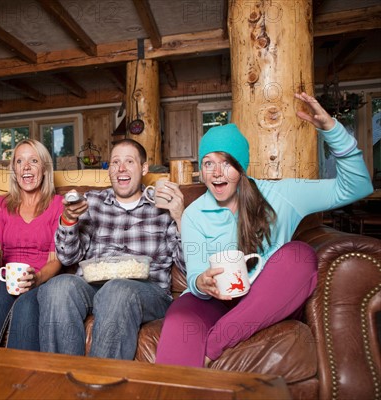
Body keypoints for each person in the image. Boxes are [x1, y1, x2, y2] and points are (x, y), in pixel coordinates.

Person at [155, 92, 374, 367]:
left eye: (227, 163)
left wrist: (332, 131)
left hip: (265, 298)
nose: (216, 172)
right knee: (180, 316)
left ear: (241, 167)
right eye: (208, 163)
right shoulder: (194, 214)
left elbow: (357, 186)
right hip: (215, 302)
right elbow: (196, 275)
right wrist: (201, 282)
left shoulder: (281, 195)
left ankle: (215, 345)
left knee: (299, 256)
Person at [37, 138, 185, 360]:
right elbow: (68, 258)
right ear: (109, 169)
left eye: (129, 161)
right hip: (93, 286)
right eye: (115, 162)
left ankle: (100, 387)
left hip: (146, 291)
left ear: (144, 168)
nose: (121, 168)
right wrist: (68, 221)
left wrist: (181, 217)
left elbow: (187, 264)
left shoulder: (163, 205)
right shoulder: (92, 202)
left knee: (117, 290)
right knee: (58, 286)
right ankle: (63, 383)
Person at [0, 139, 63, 351]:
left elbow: (56, 259)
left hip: (41, 281)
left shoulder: (58, 205)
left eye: (33, 161)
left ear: (45, 168)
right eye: (20, 161)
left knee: (26, 313)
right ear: (14, 170)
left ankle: (20, 382)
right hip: (2, 279)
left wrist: (36, 280)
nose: (26, 167)